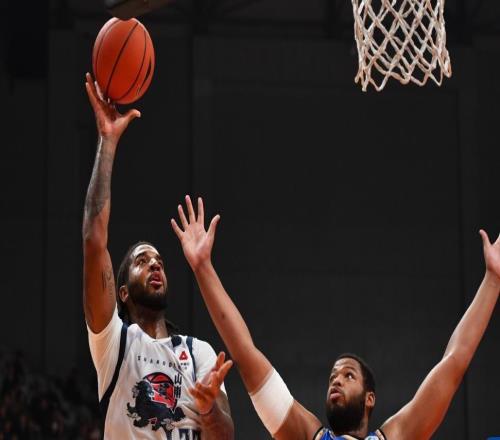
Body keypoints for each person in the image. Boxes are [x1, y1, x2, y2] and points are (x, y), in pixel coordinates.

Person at [172, 195, 500, 440]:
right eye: (333, 376)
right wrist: (202, 268)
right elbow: (245, 354)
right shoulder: (305, 434)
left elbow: (454, 363)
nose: (336, 381)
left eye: (348, 375)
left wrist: (493, 280)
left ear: (370, 399)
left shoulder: (398, 436)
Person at [82, 74, 234, 440]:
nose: (154, 264)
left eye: (160, 262)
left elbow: (226, 437)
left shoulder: (199, 353)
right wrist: (107, 142)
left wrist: (209, 408)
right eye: (142, 261)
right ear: (121, 292)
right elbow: (94, 240)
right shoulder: (114, 344)